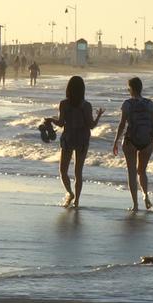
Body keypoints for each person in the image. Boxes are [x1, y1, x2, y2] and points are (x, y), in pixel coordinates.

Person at [52, 75, 103, 207]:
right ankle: (77, 202)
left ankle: (70, 193)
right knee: (78, 172)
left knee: (63, 171)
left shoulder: (64, 104)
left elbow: (61, 123)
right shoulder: (86, 105)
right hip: (82, 140)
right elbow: (91, 125)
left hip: (68, 138)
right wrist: (98, 116)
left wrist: (51, 120)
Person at [112, 76, 153, 211]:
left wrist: (115, 141)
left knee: (132, 172)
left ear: (130, 89)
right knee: (142, 171)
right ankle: (145, 195)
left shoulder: (127, 104)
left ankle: (135, 205)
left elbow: (122, 125)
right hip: (147, 141)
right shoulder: (150, 104)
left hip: (130, 140)